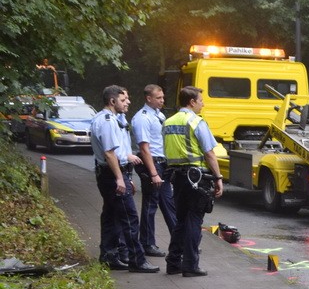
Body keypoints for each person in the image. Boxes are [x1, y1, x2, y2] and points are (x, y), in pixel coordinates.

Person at [89, 86, 160, 273]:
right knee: (130, 218)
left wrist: (126, 175)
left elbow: (117, 151)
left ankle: (109, 256)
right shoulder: (106, 121)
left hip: (112, 173)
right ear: (112, 101)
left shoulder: (109, 119)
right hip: (112, 174)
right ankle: (137, 260)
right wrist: (120, 179)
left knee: (111, 216)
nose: (128, 102)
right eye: (123, 99)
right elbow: (109, 153)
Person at [163, 86, 224, 277]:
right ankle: (190, 265)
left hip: (177, 177)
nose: (203, 103)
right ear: (192, 102)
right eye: (201, 100)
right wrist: (218, 178)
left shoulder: (168, 122)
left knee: (181, 220)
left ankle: (173, 263)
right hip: (196, 177)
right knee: (194, 220)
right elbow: (209, 152)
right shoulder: (196, 122)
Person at [131, 84, 177, 257]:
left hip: (162, 163)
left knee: (168, 202)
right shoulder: (142, 118)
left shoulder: (160, 115)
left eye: (163, 97)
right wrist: (153, 173)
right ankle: (147, 243)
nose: (162, 101)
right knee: (151, 204)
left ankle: (178, 239)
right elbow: (144, 148)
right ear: (148, 98)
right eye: (158, 98)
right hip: (153, 164)